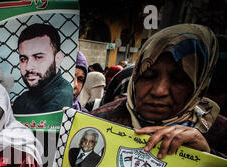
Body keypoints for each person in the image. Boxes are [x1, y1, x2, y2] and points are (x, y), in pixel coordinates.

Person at [92, 24, 226, 159]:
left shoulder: (219, 132)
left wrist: (208, 158)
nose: (159, 91)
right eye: (149, 76)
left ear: (199, 86)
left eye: (178, 80)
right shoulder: (100, 120)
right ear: (136, 77)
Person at [12, 23, 73, 114]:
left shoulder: (60, 98)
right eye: (23, 59)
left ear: (58, 58)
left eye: (38, 57)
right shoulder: (24, 99)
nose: (28, 67)